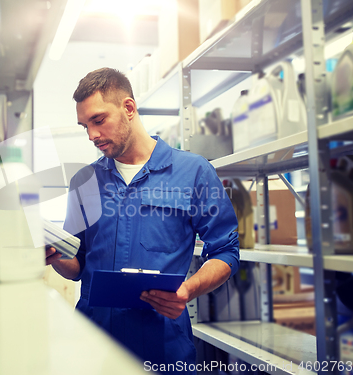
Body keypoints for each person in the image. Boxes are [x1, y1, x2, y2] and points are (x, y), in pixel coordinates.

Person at [45, 67, 239, 373]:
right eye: (85, 126)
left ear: (129, 108)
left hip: (162, 346)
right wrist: (55, 256)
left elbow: (226, 252)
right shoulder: (85, 181)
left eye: (99, 120)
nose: (92, 135)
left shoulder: (194, 172)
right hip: (93, 343)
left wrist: (189, 289)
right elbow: (77, 264)